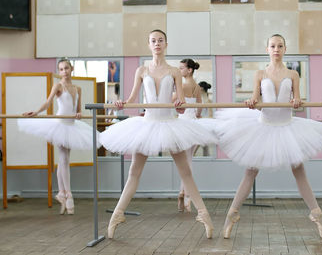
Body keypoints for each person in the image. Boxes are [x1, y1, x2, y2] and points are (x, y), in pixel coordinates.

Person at [215, 34, 322, 239]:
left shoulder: (293, 74)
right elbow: (255, 98)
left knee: (299, 171)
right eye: (272, 46)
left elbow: (297, 98)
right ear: (267, 49)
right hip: (263, 127)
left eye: (280, 46)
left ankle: (318, 216)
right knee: (250, 172)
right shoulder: (260, 74)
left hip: (287, 126)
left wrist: (297, 101)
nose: (276, 49)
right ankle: (231, 216)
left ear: (285, 49)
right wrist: (251, 101)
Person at [100, 30, 216, 239]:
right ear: (149, 44)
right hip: (147, 125)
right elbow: (133, 98)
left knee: (185, 173)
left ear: (166, 44)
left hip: (170, 124)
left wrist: (180, 105)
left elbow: (180, 105)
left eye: (160, 40)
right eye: (153, 41)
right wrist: (121, 103)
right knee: (134, 172)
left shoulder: (174, 71)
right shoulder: (142, 70)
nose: (157, 44)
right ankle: (117, 215)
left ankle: (204, 214)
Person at [18, 59, 97, 215]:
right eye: (61, 69)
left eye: (66, 68)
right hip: (60, 125)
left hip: (72, 125)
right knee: (64, 159)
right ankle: (68, 194)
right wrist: (36, 112)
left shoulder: (77, 88)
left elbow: (77, 109)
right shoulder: (58, 86)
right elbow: (48, 103)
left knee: (64, 160)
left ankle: (62, 192)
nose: (64, 71)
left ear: (71, 68)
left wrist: (79, 114)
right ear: (59, 71)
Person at [176, 59, 203, 213]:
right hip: (194, 123)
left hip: (183, 123)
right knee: (188, 159)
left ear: (189, 70)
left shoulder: (183, 85)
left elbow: (172, 101)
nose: (180, 71)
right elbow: (199, 107)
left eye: (182, 68)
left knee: (185, 162)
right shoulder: (197, 87)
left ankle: (185, 195)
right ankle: (183, 194)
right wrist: (197, 116)